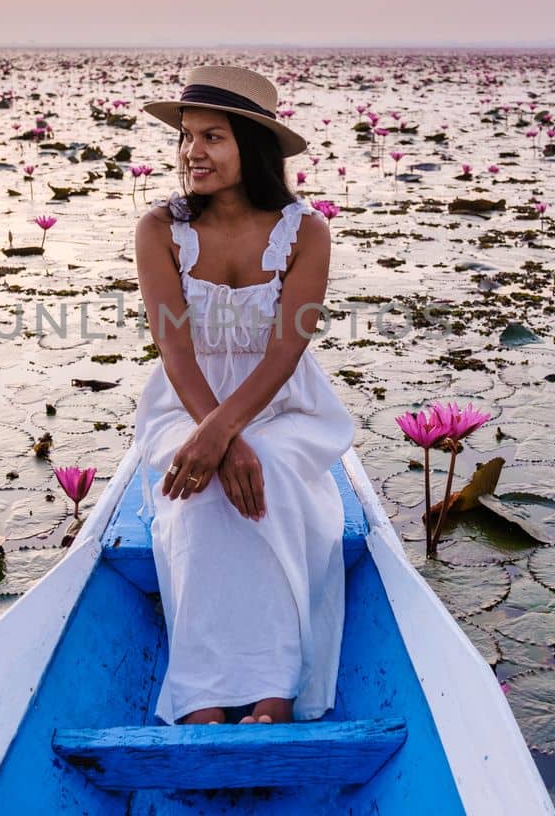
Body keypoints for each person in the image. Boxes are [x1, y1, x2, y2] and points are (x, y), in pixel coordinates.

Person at [131, 65, 358, 726]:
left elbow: (287, 349)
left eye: (212, 137)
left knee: (276, 485)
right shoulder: (159, 229)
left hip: (281, 403)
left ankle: (273, 689)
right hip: (186, 400)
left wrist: (232, 433)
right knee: (190, 494)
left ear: (251, 147)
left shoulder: (305, 232)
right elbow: (174, 347)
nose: (191, 153)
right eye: (185, 138)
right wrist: (213, 436)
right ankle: (201, 692)